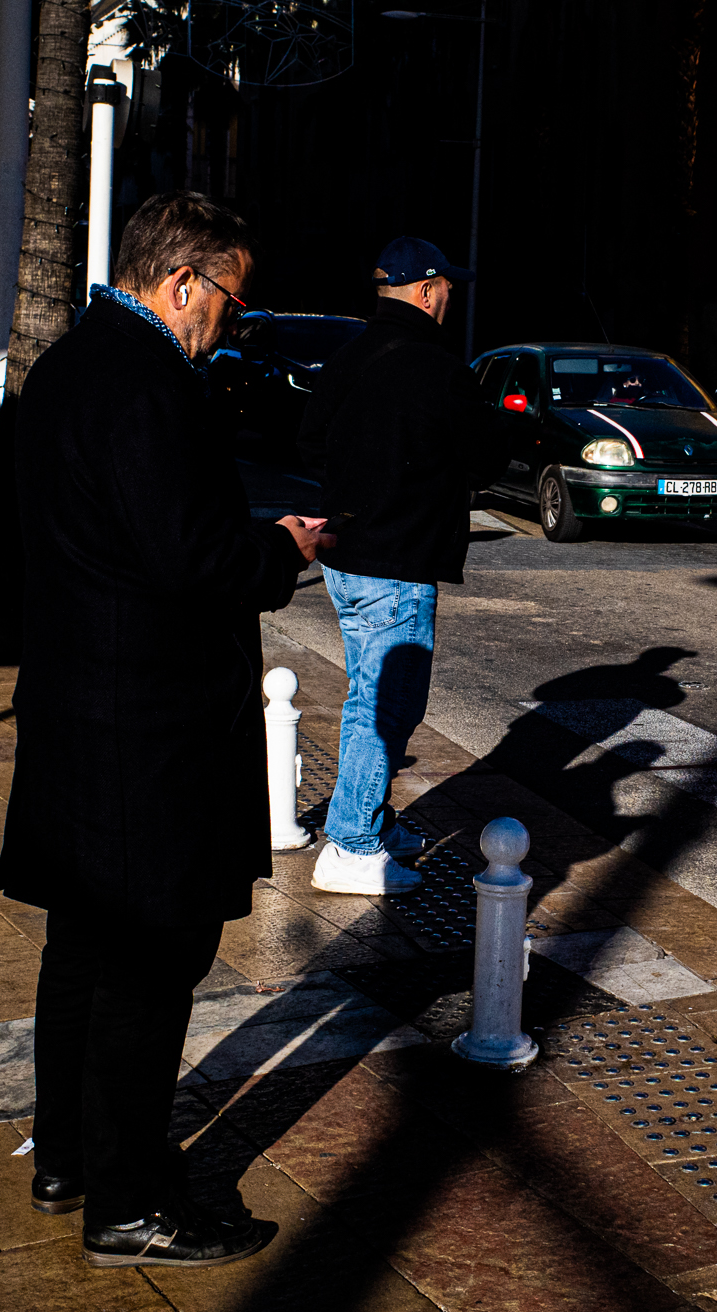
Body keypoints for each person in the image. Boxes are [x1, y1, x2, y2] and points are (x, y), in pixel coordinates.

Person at [0, 192, 333, 1268]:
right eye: (229, 296)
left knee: (82, 950)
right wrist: (282, 551)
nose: (230, 319)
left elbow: (83, 534)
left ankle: (69, 1158)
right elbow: (191, 561)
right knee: (149, 962)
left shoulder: (63, 369)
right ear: (182, 281)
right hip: (148, 729)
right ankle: (129, 1202)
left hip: (76, 707)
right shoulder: (152, 385)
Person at [297, 237, 506, 895]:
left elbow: (307, 441)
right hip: (397, 563)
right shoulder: (439, 368)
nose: (451, 297)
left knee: (370, 689)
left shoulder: (350, 355)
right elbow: (487, 461)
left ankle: (371, 821)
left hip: (345, 557)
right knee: (386, 702)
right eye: (446, 286)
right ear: (425, 289)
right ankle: (351, 845)